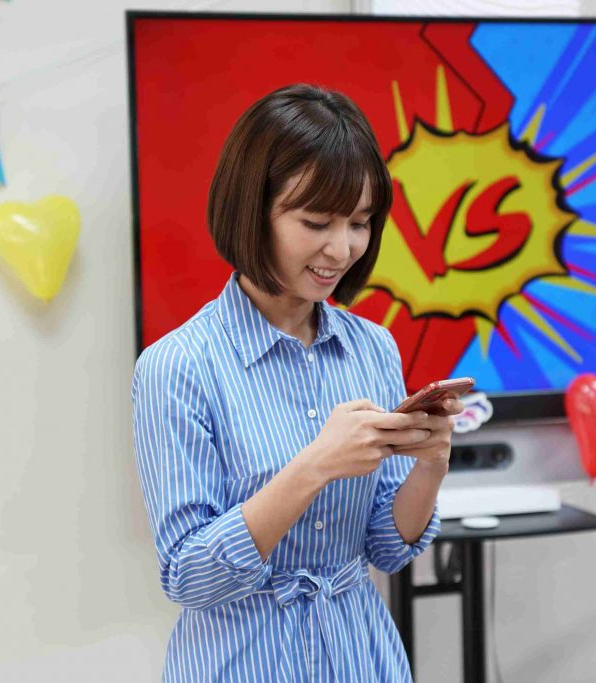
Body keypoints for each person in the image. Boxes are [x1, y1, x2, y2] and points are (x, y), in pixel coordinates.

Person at [131, 83, 464, 683]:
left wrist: (431, 465)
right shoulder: (177, 366)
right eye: (316, 222)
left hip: (361, 657)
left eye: (360, 223)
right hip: (240, 663)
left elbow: (388, 548)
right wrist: (316, 465)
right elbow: (188, 575)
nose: (342, 248)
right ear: (251, 211)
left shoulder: (373, 347)